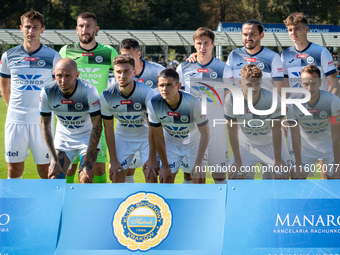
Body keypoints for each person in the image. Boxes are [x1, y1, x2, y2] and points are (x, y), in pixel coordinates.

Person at [0, 10, 61, 179]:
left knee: (45, 170)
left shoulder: (53, 56)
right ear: (21, 28)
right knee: (14, 169)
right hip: (15, 120)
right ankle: (15, 204)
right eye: (27, 27)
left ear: (42, 30)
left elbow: (59, 88)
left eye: (35, 27)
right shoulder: (8, 56)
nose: (31, 31)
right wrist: (16, 107)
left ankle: (47, 205)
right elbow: (5, 88)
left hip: (43, 122)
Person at [59, 12, 118, 183]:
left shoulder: (108, 52)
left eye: (89, 26)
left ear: (96, 29)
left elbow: (122, 78)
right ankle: (67, 203)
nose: (85, 29)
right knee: (68, 166)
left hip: (97, 118)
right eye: (82, 26)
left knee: (97, 166)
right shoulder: (66, 51)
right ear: (77, 29)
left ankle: (97, 204)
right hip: (71, 116)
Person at [281, 12, 339, 178]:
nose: (293, 33)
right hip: (297, 117)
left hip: (321, 117)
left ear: (306, 29)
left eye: (297, 29)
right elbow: (285, 87)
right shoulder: (285, 55)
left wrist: (326, 109)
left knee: (329, 172)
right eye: (290, 29)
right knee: (297, 173)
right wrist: (286, 114)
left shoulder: (321, 52)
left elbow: (334, 84)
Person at [176, 27, 234, 184]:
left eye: (206, 43)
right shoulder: (183, 68)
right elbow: (179, 98)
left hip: (216, 129)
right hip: (192, 129)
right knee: (191, 175)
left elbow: (229, 98)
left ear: (213, 44)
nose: (203, 47)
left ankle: (220, 208)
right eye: (199, 43)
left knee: (220, 176)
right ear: (194, 45)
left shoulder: (223, 68)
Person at [39, 58, 102, 183]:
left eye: (68, 76)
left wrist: (88, 160)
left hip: (87, 138)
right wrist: (54, 159)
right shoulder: (47, 92)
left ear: (77, 75)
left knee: (86, 178)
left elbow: (97, 126)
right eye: (59, 76)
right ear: (54, 75)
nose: (63, 80)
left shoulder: (88, 90)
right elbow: (45, 126)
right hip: (64, 138)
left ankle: (85, 203)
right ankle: (62, 203)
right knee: (54, 178)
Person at [225, 64, 289, 179]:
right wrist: (238, 162)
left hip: (270, 144)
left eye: (257, 84)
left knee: (281, 177)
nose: (253, 89)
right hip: (246, 144)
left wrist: (278, 160)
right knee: (236, 176)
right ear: (240, 83)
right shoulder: (231, 98)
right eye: (249, 84)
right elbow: (232, 131)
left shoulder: (272, 98)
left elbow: (276, 130)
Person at [100, 54, 158, 183]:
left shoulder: (147, 92)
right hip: (123, 136)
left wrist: (152, 157)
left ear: (134, 72)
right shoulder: (107, 95)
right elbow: (108, 129)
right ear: (113, 72)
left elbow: (153, 127)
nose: (122, 75)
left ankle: (151, 202)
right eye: (118, 72)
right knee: (116, 175)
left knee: (151, 174)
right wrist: (113, 160)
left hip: (145, 137)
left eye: (126, 71)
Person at [115, 38, 165, 183]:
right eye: (124, 56)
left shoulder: (157, 71)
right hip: (127, 129)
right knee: (125, 172)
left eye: (130, 56)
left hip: (153, 130)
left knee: (152, 172)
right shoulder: (121, 74)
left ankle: (155, 203)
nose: (127, 59)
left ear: (139, 54)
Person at [147, 69, 210, 183]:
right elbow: (158, 137)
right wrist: (165, 166)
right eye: (162, 85)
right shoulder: (153, 104)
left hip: (194, 144)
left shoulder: (194, 103)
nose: (165, 89)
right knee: (166, 179)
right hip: (171, 144)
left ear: (178, 85)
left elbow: (205, 133)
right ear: (158, 85)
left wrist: (199, 162)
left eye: (169, 85)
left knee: (198, 179)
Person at [287, 65, 340, 179]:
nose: (310, 89)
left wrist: (337, 163)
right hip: (305, 146)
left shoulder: (333, 101)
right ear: (301, 82)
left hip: (328, 145)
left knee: (335, 177)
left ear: (320, 82)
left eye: (313, 84)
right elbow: (295, 136)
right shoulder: (291, 103)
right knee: (298, 176)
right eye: (306, 84)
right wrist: (298, 164)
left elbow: (336, 135)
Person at [226, 20, 285, 95]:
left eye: (252, 34)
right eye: (245, 34)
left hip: (264, 105)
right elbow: (227, 84)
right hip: (239, 104)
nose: (248, 38)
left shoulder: (273, 57)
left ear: (261, 35)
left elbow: (278, 90)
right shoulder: (234, 55)